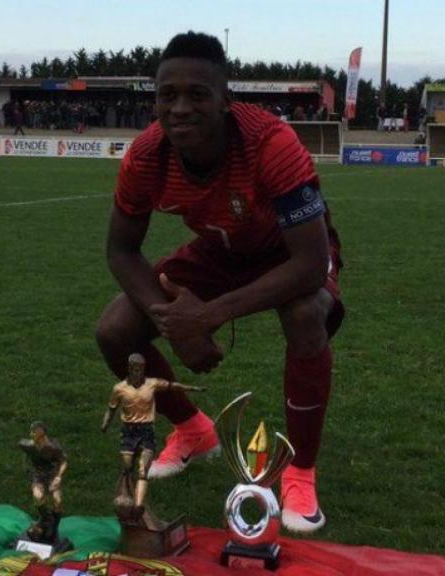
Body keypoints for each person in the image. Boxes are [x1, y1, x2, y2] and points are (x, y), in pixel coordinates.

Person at [94, 31, 345, 534]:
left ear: (225, 100)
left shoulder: (270, 143)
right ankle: (193, 430)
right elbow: (121, 249)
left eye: (196, 94)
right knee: (116, 328)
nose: (180, 108)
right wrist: (173, 321)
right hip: (218, 249)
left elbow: (311, 264)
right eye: (168, 95)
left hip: (288, 251)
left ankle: (299, 470)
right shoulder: (146, 156)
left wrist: (206, 316)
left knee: (304, 314)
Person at [101, 354, 203, 517]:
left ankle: (138, 507)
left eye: (141, 369)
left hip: (146, 431)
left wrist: (192, 388)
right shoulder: (119, 389)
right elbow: (111, 408)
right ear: (129, 369)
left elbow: (172, 386)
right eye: (134, 368)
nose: (138, 372)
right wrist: (105, 423)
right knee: (127, 467)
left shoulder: (152, 384)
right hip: (128, 432)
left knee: (143, 470)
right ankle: (124, 494)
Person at [18, 422, 68, 542]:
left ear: (41, 434)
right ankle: (48, 520)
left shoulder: (53, 447)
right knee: (38, 497)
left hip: (52, 475)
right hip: (38, 476)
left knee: (57, 501)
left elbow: (64, 461)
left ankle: (53, 529)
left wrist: (58, 477)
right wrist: (27, 470)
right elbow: (22, 445)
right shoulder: (29, 446)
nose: (31, 434)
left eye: (33, 432)